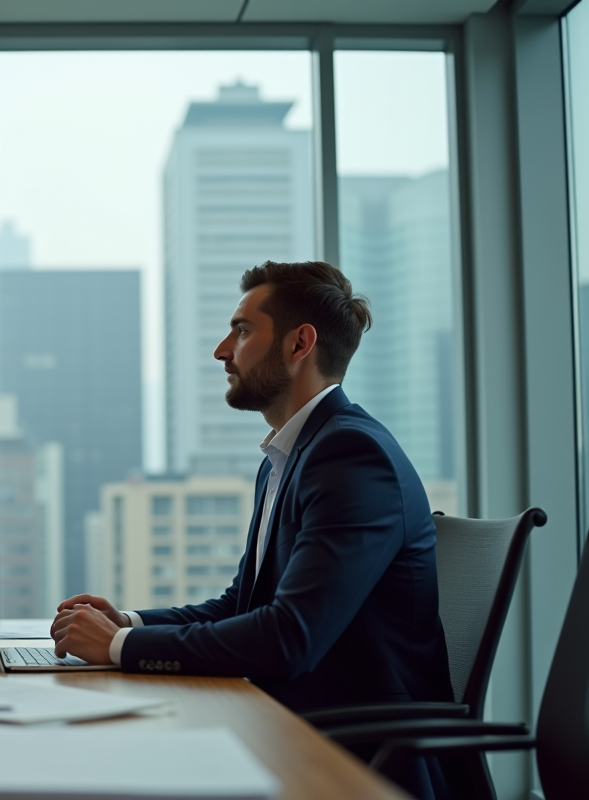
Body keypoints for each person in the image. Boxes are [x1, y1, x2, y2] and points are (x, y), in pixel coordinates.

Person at [50, 261, 453, 798]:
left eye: (242, 331)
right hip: (286, 728)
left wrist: (122, 645)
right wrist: (128, 620)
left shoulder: (352, 456)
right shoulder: (288, 458)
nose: (221, 350)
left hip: (353, 758)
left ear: (298, 344)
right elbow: (243, 603)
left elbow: (290, 639)